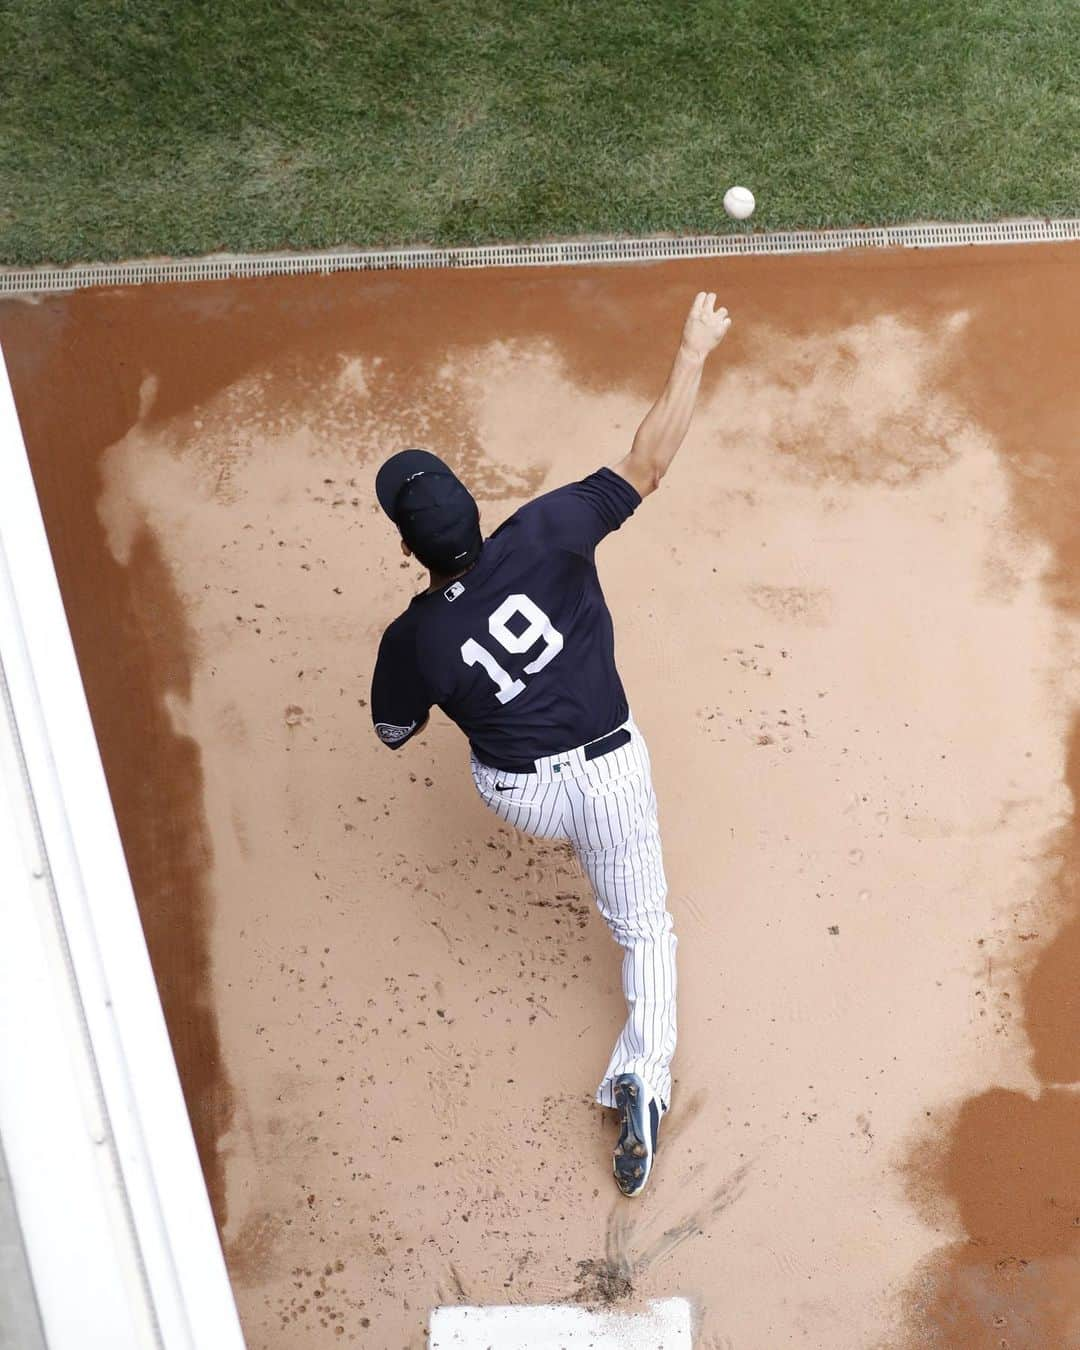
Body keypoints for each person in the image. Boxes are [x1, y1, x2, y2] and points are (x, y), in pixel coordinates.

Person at [371, 292, 731, 1196]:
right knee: (645, 926)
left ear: (413, 546)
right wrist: (691, 350)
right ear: (476, 512)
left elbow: (392, 729)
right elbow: (650, 460)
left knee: (489, 743)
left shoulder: (410, 641)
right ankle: (642, 1079)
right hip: (610, 777)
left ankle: (549, 799)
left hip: (522, 798)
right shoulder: (548, 528)